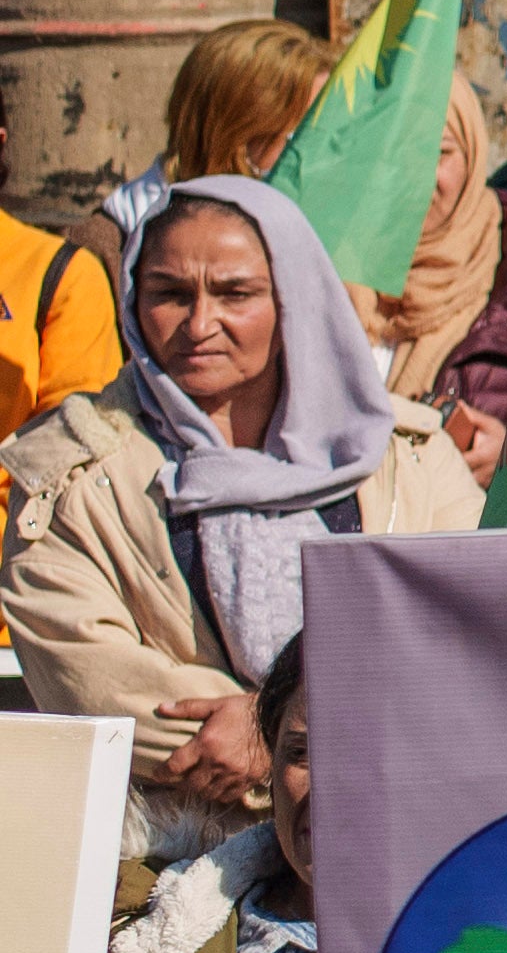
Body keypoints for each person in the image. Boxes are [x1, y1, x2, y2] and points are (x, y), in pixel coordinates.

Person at [1, 178, 471, 860]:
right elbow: (87, 670)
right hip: (168, 857)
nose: (198, 324)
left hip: (409, 842)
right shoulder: (70, 474)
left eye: (234, 293)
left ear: (291, 298)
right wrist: (295, 746)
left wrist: (274, 732)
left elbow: (464, 628)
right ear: (132, 301)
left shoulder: (407, 455)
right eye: (169, 293)